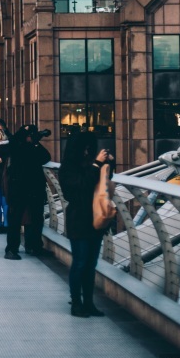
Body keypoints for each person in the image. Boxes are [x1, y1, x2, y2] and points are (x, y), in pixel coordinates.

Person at [58, 131, 114, 317]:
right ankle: (76, 303)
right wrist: (96, 164)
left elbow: (102, 185)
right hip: (78, 219)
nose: (87, 152)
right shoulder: (67, 167)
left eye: (90, 148)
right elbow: (80, 186)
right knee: (80, 262)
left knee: (91, 264)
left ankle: (89, 303)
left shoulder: (91, 164)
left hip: (95, 219)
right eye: (85, 148)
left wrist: (108, 165)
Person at [3, 124, 52, 260]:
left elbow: (46, 157)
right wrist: (26, 136)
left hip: (34, 188)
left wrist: (35, 143)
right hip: (18, 188)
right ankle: (11, 249)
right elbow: (16, 148)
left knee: (36, 218)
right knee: (15, 219)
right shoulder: (16, 145)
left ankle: (34, 246)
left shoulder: (34, 147)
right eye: (30, 135)